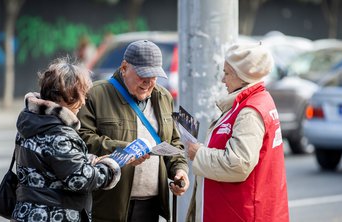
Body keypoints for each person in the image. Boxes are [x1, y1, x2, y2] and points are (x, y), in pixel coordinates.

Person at [77, 40, 190, 222]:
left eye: (154, 76)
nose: (148, 82)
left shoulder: (163, 97)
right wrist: (127, 151)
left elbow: (173, 143)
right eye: (142, 75)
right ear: (124, 67)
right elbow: (83, 140)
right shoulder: (95, 94)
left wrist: (179, 170)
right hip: (108, 205)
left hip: (150, 205)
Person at [186, 43, 289, 222]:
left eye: (226, 73)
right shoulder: (255, 100)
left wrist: (199, 153)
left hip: (242, 213)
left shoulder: (250, 111)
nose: (222, 80)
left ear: (242, 77)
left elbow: (239, 163)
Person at [11, 57, 121, 222]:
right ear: (66, 96)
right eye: (80, 96)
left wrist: (88, 160)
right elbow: (79, 179)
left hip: (26, 212)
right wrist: (109, 169)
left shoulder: (31, 121)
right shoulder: (59, 134)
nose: (82, 103)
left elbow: (51, 165)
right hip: (54, 215)